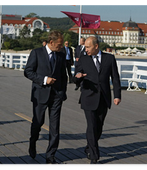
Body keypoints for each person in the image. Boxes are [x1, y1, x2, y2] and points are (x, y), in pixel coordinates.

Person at [74, 36, 121, 165]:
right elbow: (76, 77)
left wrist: (117, 95)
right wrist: (77, 77)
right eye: (85, 47)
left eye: (88, 47)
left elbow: (115, 78)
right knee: (91, 125)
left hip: (104, 98)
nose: (85, 49)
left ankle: (89, 147)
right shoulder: (83, 59)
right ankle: (94, 156)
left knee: (99, 127)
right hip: (88, 97)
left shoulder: (109, 58)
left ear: (96, 46)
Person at [24, 30, 67, 165]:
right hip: (40, 94)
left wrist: (63, 93)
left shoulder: (61, 54)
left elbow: (63, 76)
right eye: (59, 45)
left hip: (56, 96)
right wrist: (44, 79)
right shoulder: (36, 53)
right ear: (51, 42)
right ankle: (32, 142)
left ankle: (51, 157)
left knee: (55, 128)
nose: (61, 47)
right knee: (38, 123)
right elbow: (28, 72)